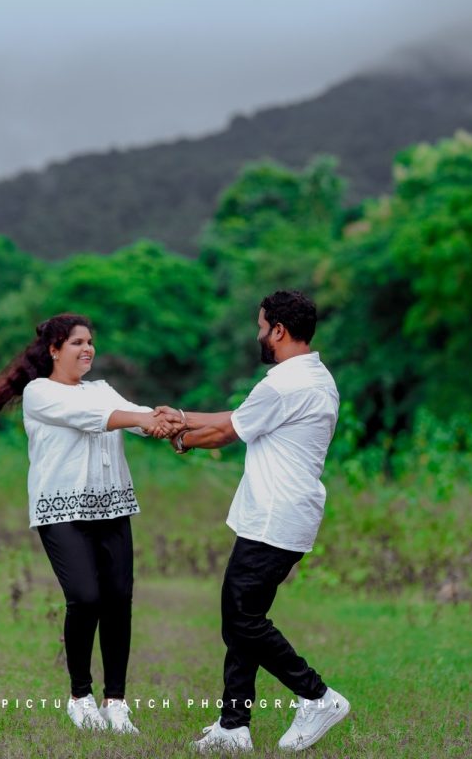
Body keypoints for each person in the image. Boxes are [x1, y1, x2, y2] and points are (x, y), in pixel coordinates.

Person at [155, 290, 350, 753]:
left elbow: (227, 431)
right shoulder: (315, 377)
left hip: (273, 516)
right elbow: (243, 418)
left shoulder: (284, 383)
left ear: (279, 330)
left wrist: (179, 438)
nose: (259, 334)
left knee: (241, 619)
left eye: (262, 326)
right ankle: (233, 726)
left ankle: (316, 695)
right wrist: (181, 418)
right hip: (287, 515)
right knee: (246, 616)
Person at [0, 312, 182, 735]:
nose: (87, 348)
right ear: (54, 350)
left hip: (112, 507)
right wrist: (141, 419)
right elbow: (95, 417)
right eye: (76, 342)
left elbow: (134, 413)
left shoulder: (102, 389)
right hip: (61, 511)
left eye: (90, 341)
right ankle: (80, 696)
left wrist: (175, 422)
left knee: (118, 599)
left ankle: (116, 702)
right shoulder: (39, 393)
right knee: (86, 598)